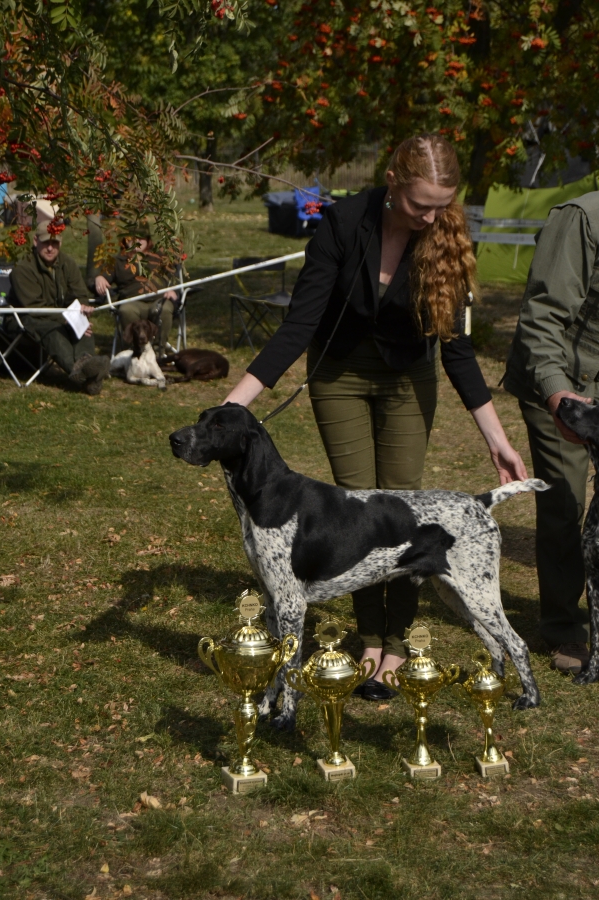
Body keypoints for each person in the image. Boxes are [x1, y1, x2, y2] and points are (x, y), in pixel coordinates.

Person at [223, 133, 527, 700]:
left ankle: (397, 643)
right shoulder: (342, 224)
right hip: (339, 375)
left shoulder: (445, 234)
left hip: (408, 379)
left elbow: (458, 350)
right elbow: (299, 325)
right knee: (356, 510)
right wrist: (234, 405)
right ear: (392, 182)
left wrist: (497, 440)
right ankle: (368, 641)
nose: (431, 217)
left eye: (441, 206)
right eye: (419, 205)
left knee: (403, 508)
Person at [503, 191, 599, 675]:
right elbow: (541, 318)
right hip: (560, 379)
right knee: (565, 503)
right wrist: (558, 395)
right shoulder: (582, 218)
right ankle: (564, 627)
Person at [9, 221, 110, 394]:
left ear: (60, 243)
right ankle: (81, 372)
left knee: (83, 327)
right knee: (54, 332)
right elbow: (34, 307)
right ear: (35, 241)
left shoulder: (67, 263)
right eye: (45, 243)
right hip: (26, 318)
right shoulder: (23, 269)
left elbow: (80, 293)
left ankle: (87, 365)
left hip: (59, 314)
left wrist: (82, 308)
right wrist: (67, 319)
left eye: (54, 243)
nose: (50, 248)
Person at [93, 227, 179, 354]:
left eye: (141, 238)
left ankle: (157, 353)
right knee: (126, 310)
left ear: (148, 240)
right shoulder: (117, 261)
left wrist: (173, 290)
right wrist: (99, 278)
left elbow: (176, 276)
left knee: (165, 309)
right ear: (125, 240)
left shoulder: (160, 257)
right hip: (131, 301)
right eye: (132, 238)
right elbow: (103, 276)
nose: (137, 241)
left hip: (159, 299)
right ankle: (135, 352)